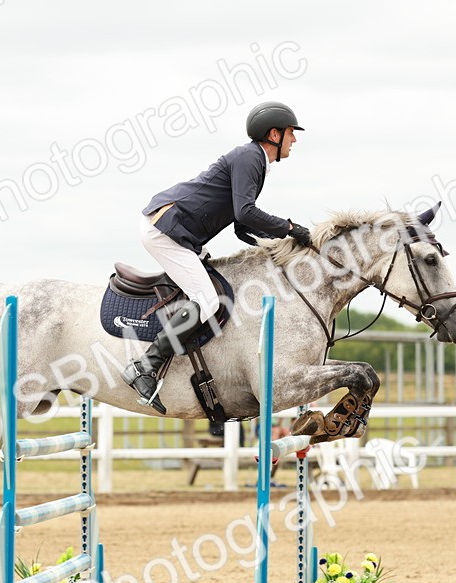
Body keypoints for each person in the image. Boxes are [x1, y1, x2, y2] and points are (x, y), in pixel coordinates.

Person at [122, 101, 314, 413]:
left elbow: (241, 221)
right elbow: (246, 211)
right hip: (166, 229)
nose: (295, 139)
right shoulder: (251, 157)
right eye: (292, 133)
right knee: (208, 301)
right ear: (275, 134)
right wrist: (290, 228)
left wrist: (273, 244)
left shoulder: (255, 161)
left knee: (214, 288)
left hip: (180, 230)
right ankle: (144, 366)